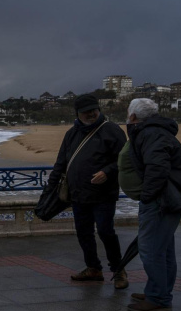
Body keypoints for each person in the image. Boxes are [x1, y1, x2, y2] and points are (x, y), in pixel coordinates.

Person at [121, 98, 181, 311]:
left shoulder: (151, 133)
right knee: (163, 250)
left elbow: (157, 167)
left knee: (151, 250)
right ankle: (158, 291)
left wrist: (146, 196)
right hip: (164, 199)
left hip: (160, 201)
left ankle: (158, 299)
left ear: (133, 116)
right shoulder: (153, 131)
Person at [48, 94, 128, 288]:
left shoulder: (111, 130)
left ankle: (118, 271)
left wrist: (107, 172)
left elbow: (124, 159)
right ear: (78, 113)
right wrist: (49, 189)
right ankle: (93, 268)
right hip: (78, 194)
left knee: (105, 231)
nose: (92, 113)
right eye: (87, 111)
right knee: (83, 232)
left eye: (94, 109)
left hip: (103, 194)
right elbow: (61, 162)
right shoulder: (71, 133)